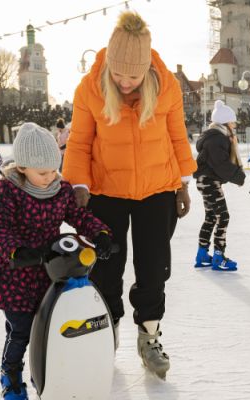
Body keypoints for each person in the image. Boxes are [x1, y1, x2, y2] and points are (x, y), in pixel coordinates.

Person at [62, 11, 197, 378]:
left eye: (133, 76)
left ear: (146, 69)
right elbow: (79, 142)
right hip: (106, 192)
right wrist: (77, 185)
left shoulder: (166, 86)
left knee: (154, 267)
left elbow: (177, 136)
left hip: (157, 190)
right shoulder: (89, 88)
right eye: (118, 75)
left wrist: (183, 182)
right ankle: (108, 333)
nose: (124, 82)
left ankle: (149, 335)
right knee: (106, 267)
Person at [0, 123, 112, 400]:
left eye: (55, 169)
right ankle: (11, 375)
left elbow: (78, 217)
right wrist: (17, 252)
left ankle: (42, 374)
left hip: (48, 272)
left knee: (48, 329)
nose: (50, 176)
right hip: (14, 273)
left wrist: (99, 233)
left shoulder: (60, 188)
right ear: (22, 168)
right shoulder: (6, 191)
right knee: (20, 331)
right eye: (43, 172)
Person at [195, 100, 246, 271]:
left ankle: (202, 254)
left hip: (205, 181)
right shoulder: (217, 139)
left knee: (211, 217)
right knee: (223, 217)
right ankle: (218, 257)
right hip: (209, 182)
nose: (235, 125)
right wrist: (238, 176)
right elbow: (221, 164)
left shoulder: (215, 137)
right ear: (225, 123)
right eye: (232, 122)